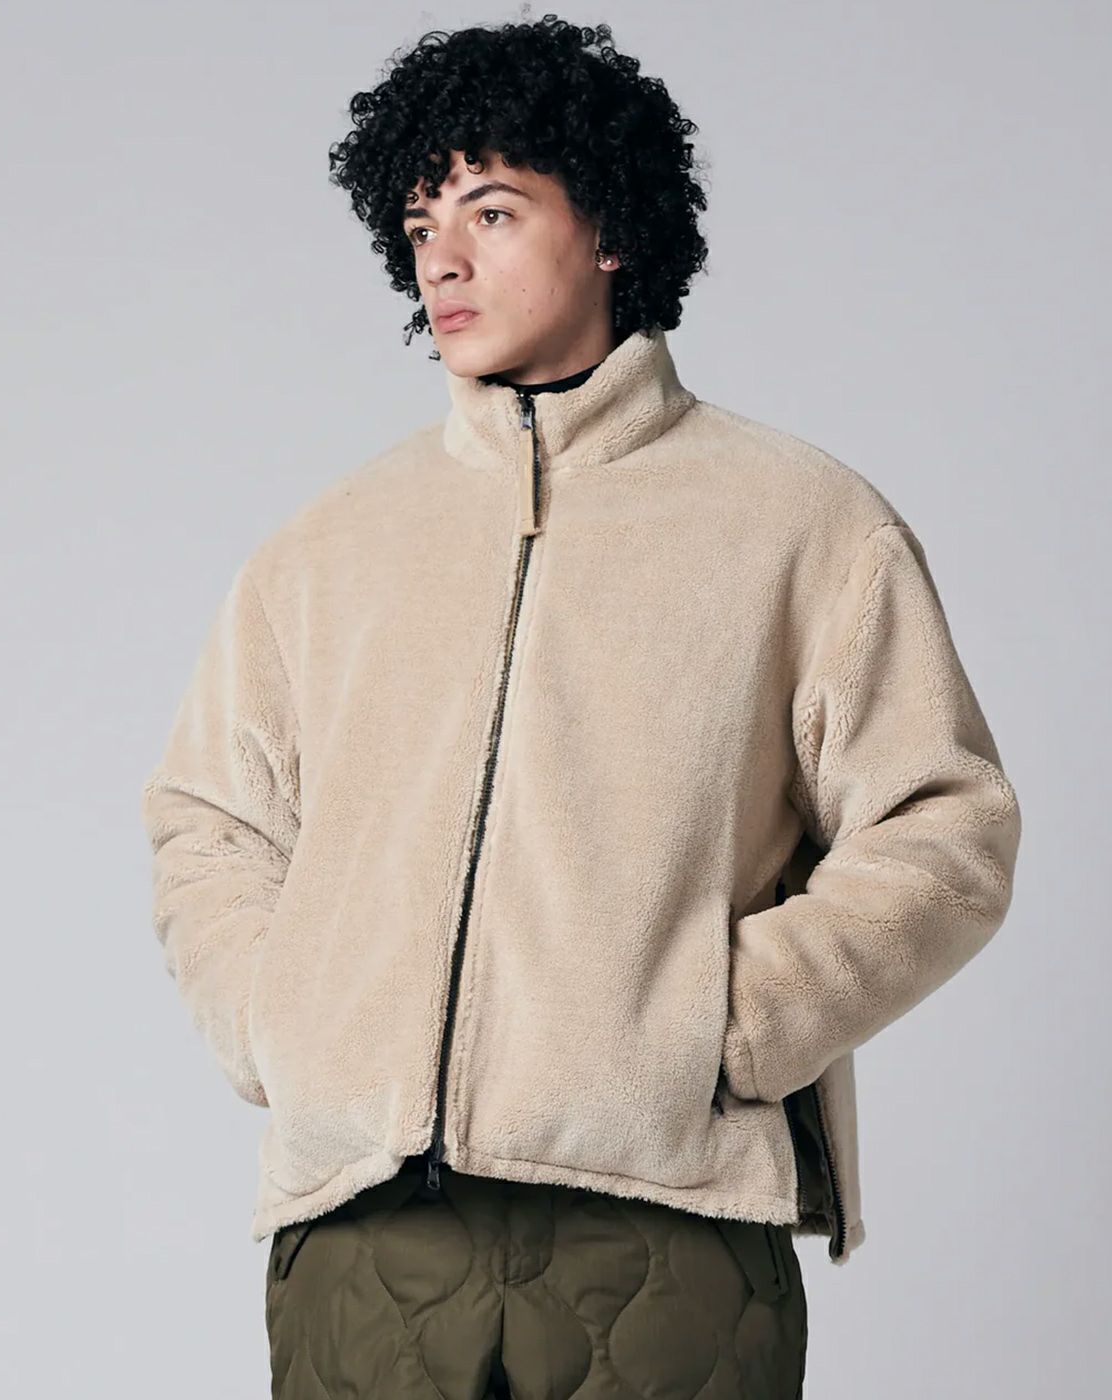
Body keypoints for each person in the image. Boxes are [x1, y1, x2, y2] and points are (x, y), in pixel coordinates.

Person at [140, 15, 1021, 1398]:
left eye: (492, 211)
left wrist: (722, 1024)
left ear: (608, 227)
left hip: (664, 1223)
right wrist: (282, 1022)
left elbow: (946, 830)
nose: (443, 257)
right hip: (364, 1234)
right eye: (422, 222)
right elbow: (208, 822)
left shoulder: (801, 525)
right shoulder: (326, 551)